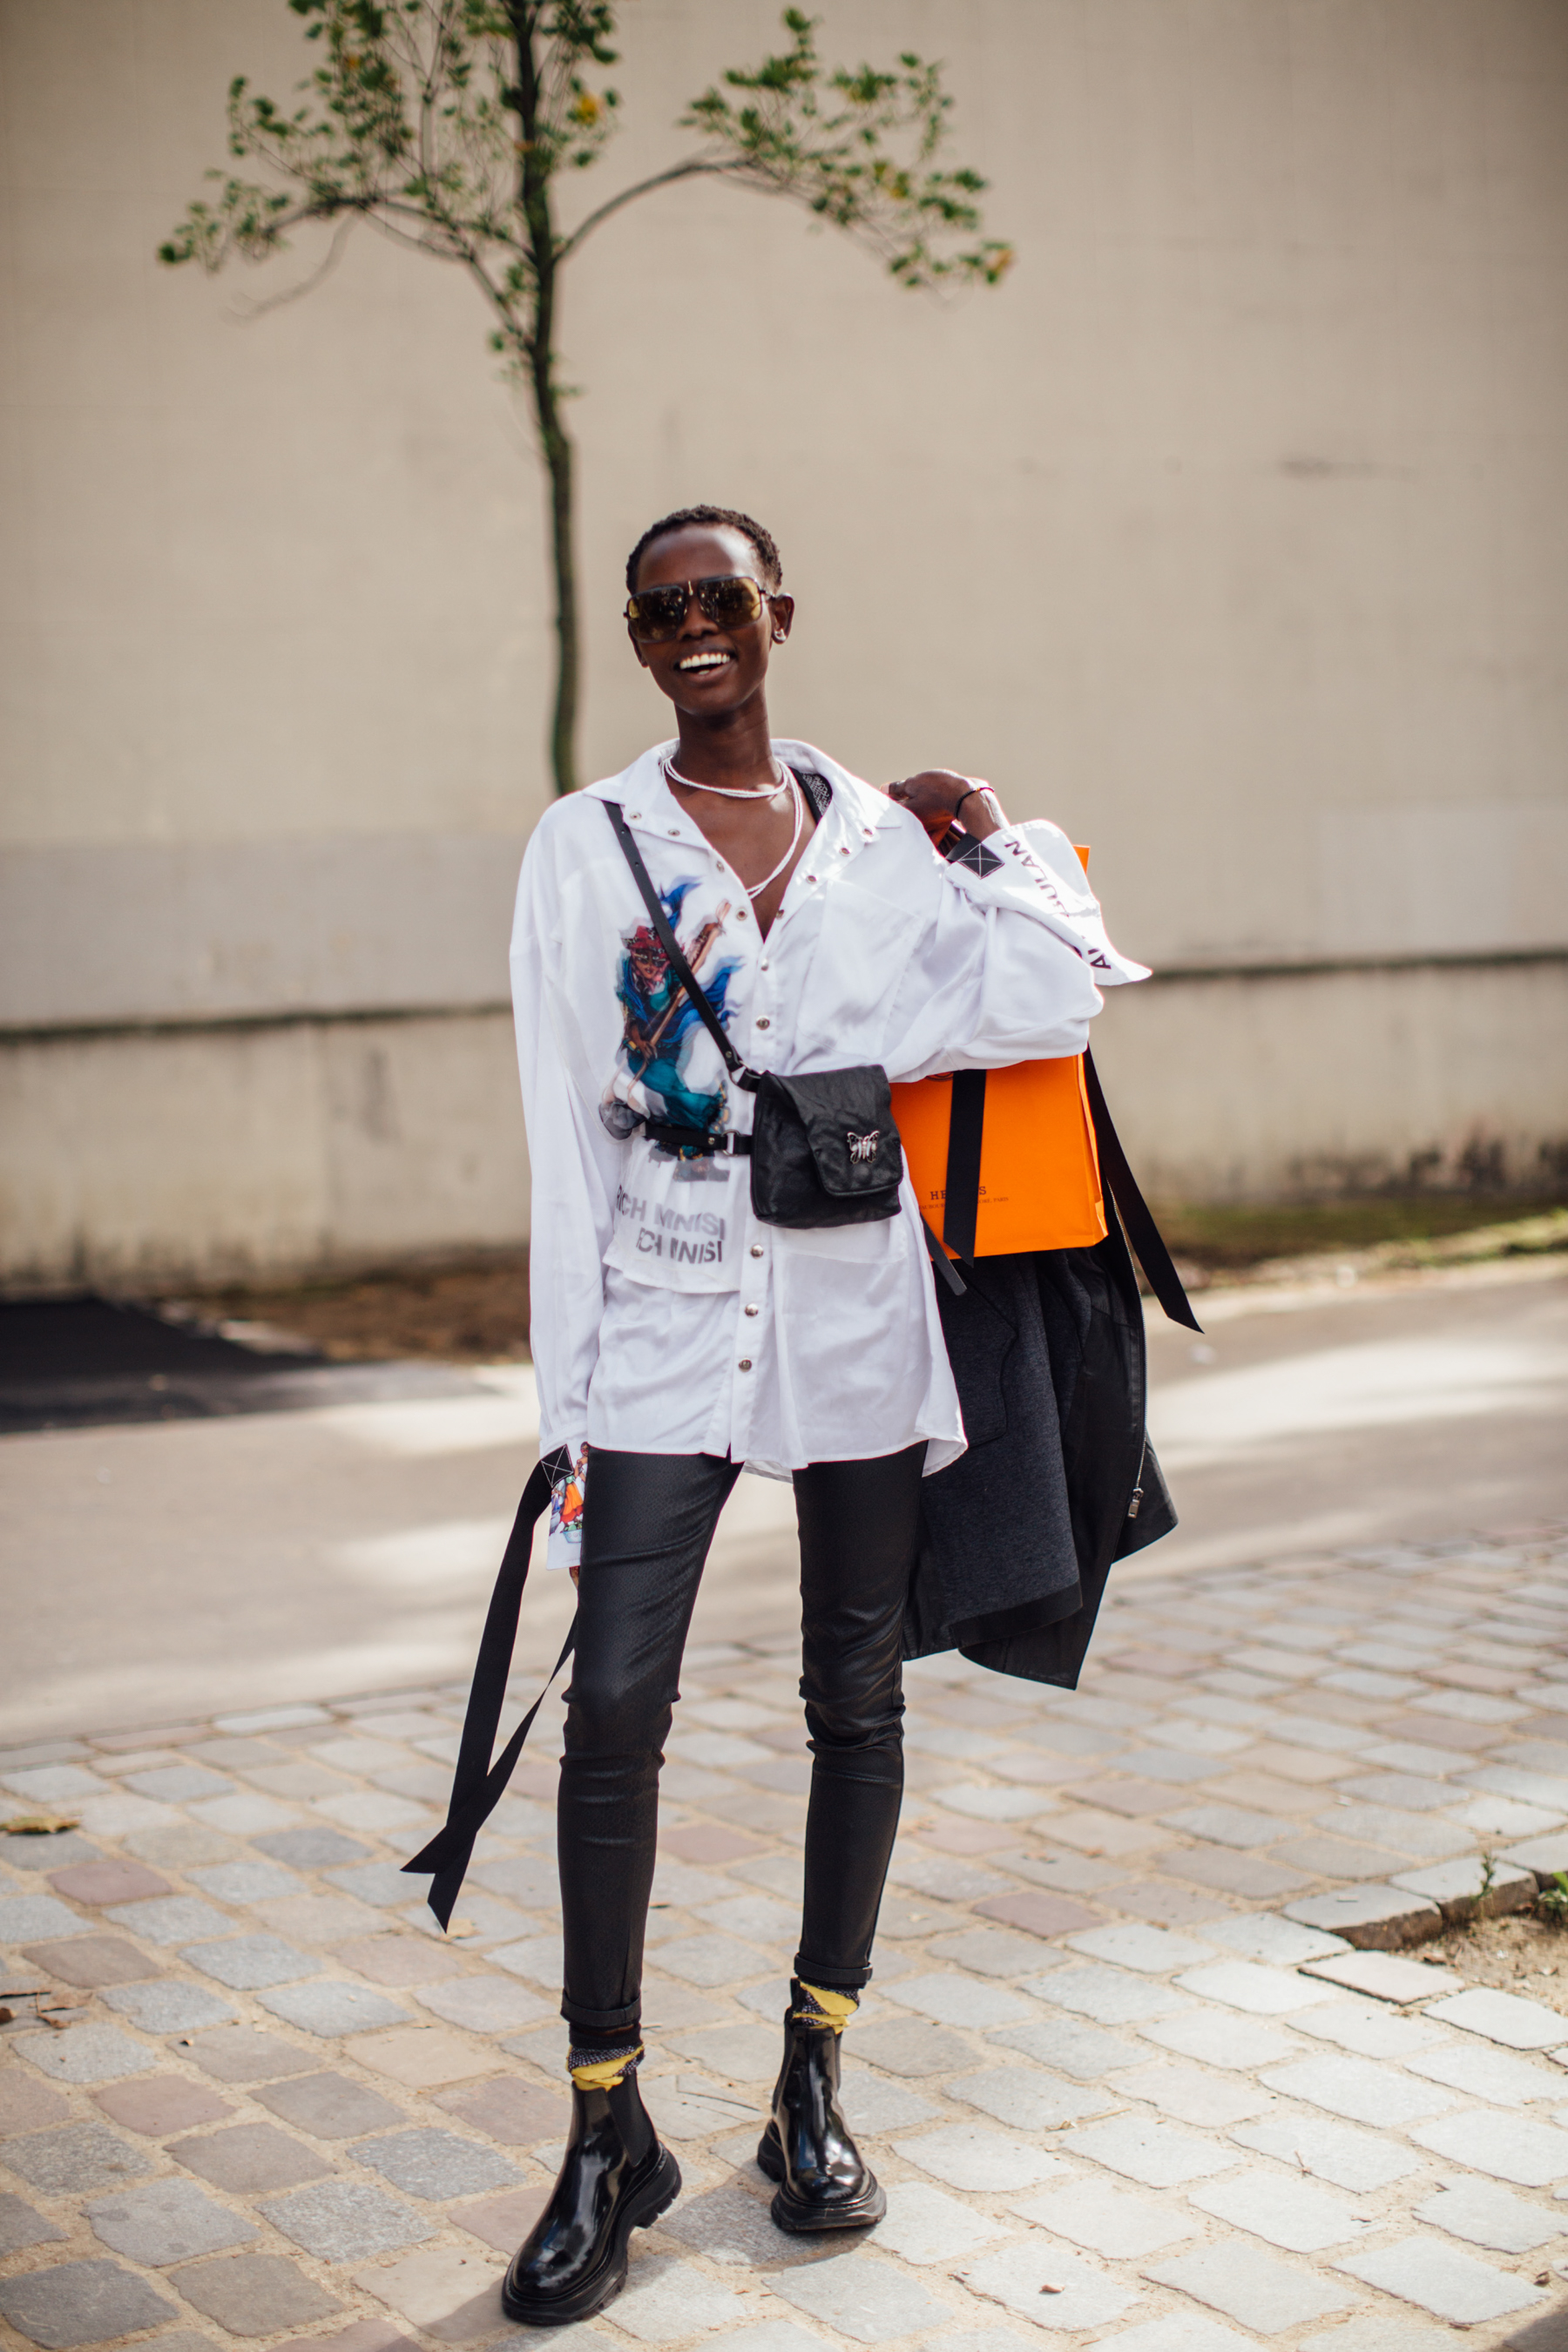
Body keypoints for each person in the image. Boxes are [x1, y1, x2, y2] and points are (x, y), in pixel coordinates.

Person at [501, 504, 1144, 2325]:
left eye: (721, 600)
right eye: (659, 611)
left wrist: (997, 836)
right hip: (657, 1329)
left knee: (854, 1697)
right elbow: (561, 1138)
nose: (693, 630)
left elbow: (1052, 993)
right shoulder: (589, 848)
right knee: (613, 1702)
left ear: (776, 616)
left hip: (856, 1323)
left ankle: (811, 2082)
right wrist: (566, 1420)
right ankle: (603, 2124)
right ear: (635, 641)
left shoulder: (880, 847)